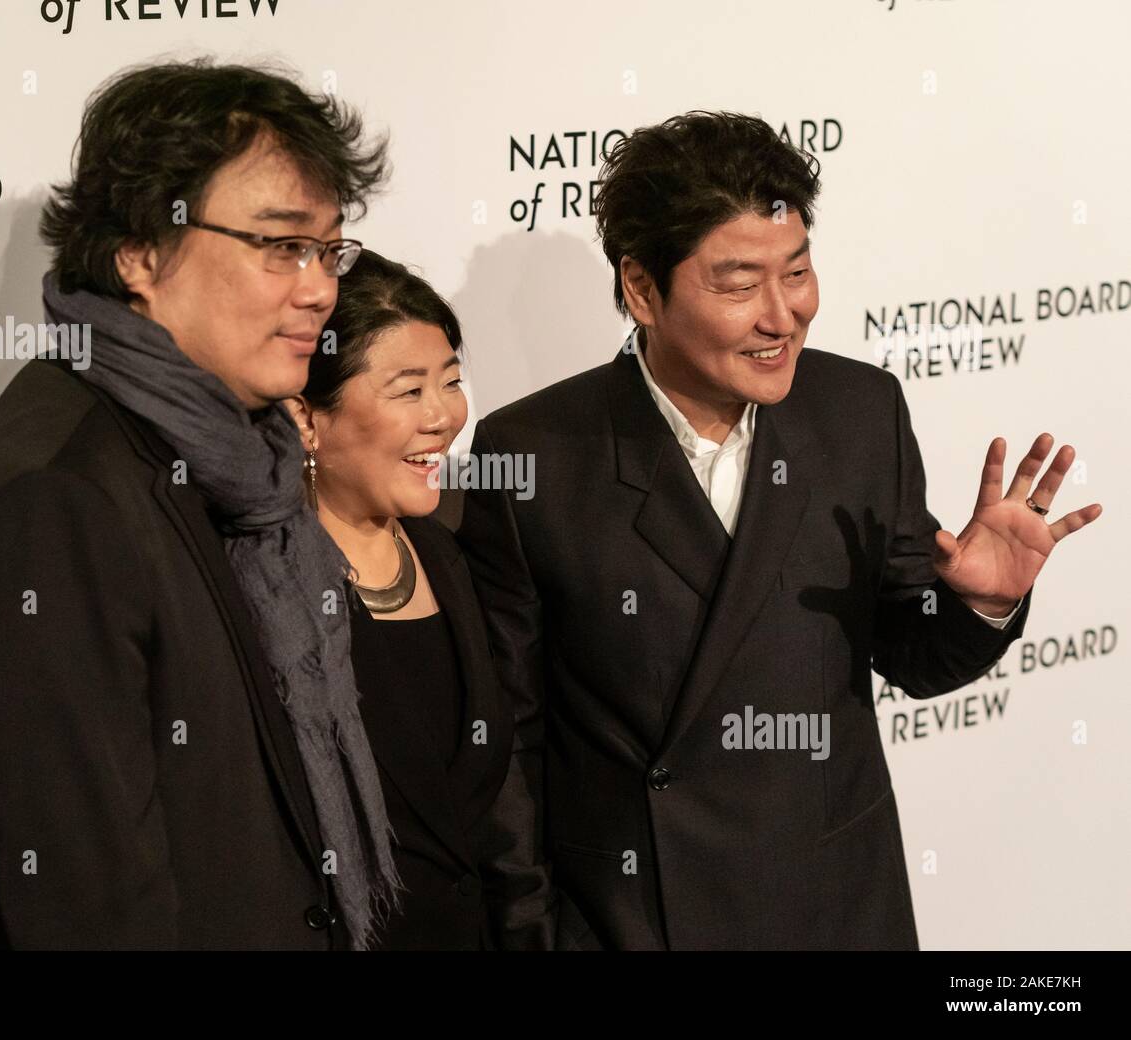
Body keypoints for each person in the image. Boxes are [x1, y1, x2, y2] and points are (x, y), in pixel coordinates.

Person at [456, 110, 1102, 950]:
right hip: (635, 917)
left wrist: (977, 606)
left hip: (833, 904)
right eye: (736, 285)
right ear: (643, 289)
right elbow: (508, 736)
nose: (782, 315)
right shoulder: (535, 451)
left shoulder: (857, 412)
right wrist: (531, 932)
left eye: (796, 272)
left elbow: (911, 653)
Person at [0, 58, 398, 949]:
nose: (319, 288)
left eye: (329, 249)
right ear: (140, 255)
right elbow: (88, 907)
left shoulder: (235, 455)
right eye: (280, 245)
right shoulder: (57, 501)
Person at [283, 250, 555, 949]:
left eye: (452, 381)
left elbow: (496, 805)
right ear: (307, 418)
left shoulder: (447, 547)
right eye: (409, 391)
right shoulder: (266, 590)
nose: (444, 417)